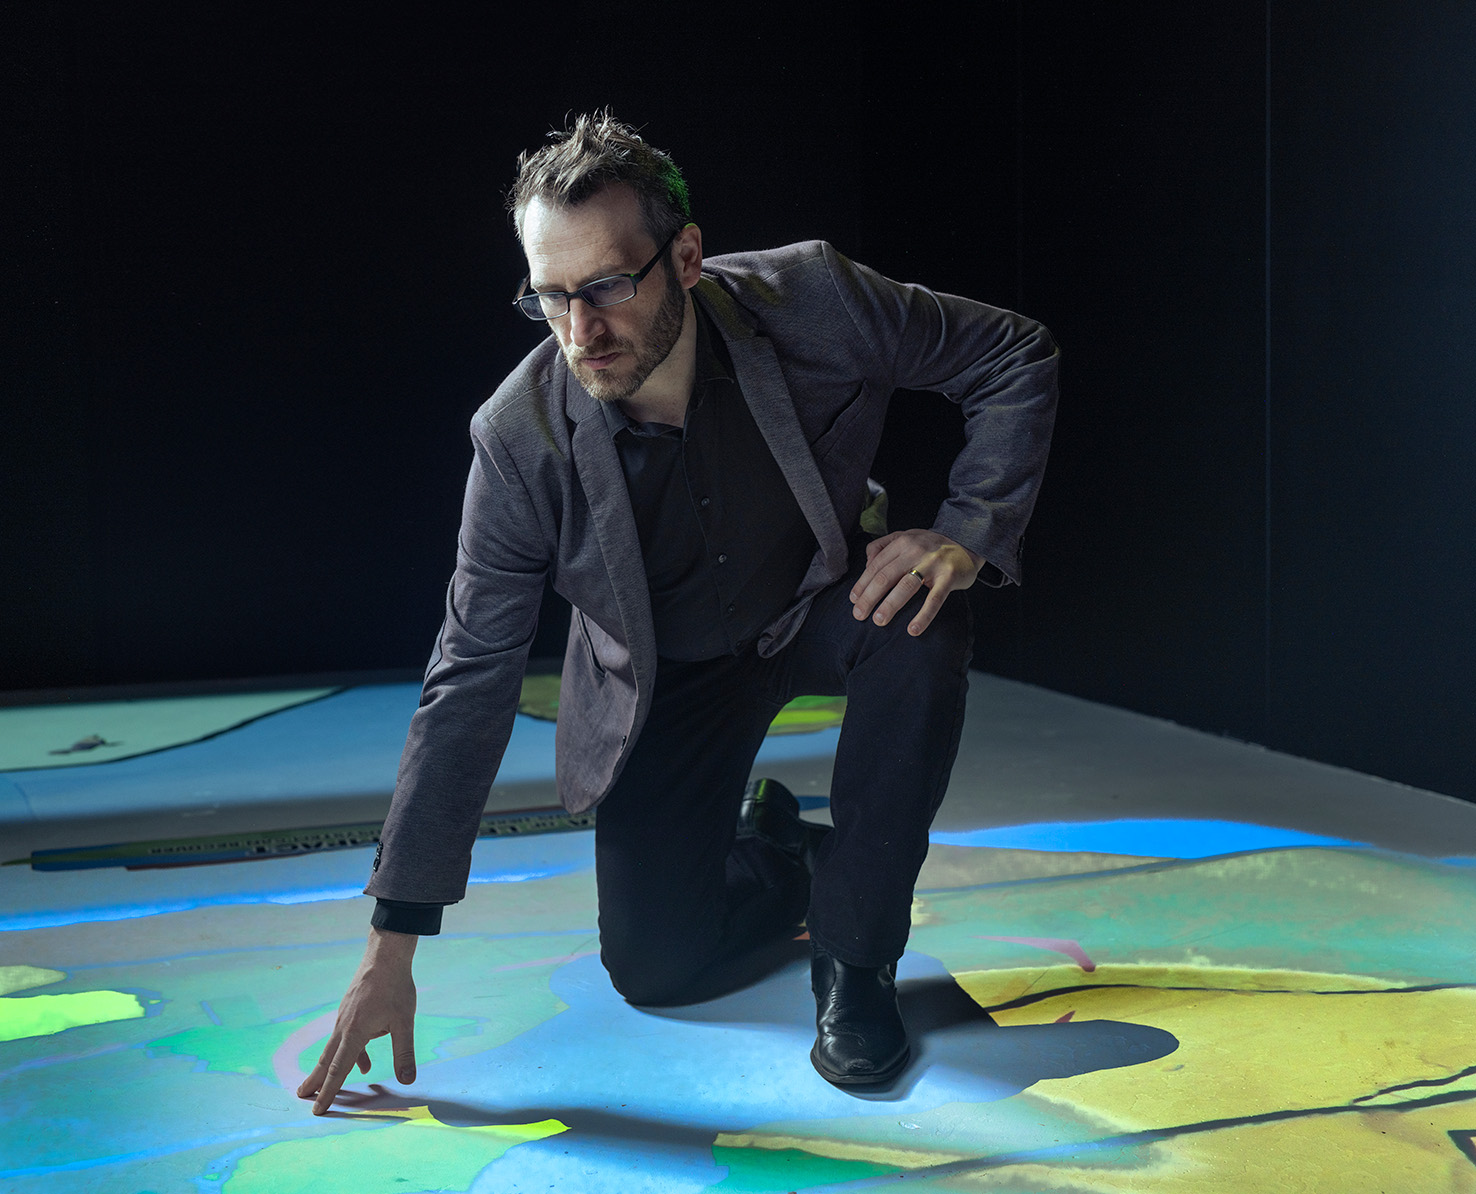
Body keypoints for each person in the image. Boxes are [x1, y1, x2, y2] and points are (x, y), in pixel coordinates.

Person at [298, 111, 1057, 1113]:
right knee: (654, 966)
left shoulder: (813, 300)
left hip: (815, 605)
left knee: (920, 618)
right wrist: (391, 948)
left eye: (607, 285)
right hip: (667, 682)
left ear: (687, 256)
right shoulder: (519, 444)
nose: (582, 330)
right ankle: (786, 852)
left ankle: (856, 959)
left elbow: (1011, 354)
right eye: (552, 295)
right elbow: (469, 679)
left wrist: (964, 529)